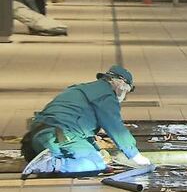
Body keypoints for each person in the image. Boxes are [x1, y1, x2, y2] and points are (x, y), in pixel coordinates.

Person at [21, 65, 150, 175]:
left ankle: (47, 157)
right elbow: (116, 128)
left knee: (95, 155)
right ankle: (51, 164)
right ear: (121, 84)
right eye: (127, 90)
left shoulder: (81, 88)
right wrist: (135, 155)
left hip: (37, 137)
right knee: (97, 163)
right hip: (57, 138)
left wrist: (96, 149)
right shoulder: (106, 96)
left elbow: (78, 128)